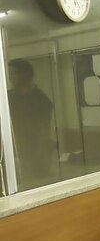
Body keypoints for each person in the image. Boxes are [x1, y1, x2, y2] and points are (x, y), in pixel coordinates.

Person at [8, 58, 54, 190]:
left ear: (26, 74)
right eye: (9, 74)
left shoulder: (42, 100)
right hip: (15, 152)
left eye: (13, 74)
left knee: (38, 187)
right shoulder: (7, 98)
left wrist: (37, 157)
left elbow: (44, 130)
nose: (10, 78)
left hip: (36, 153)